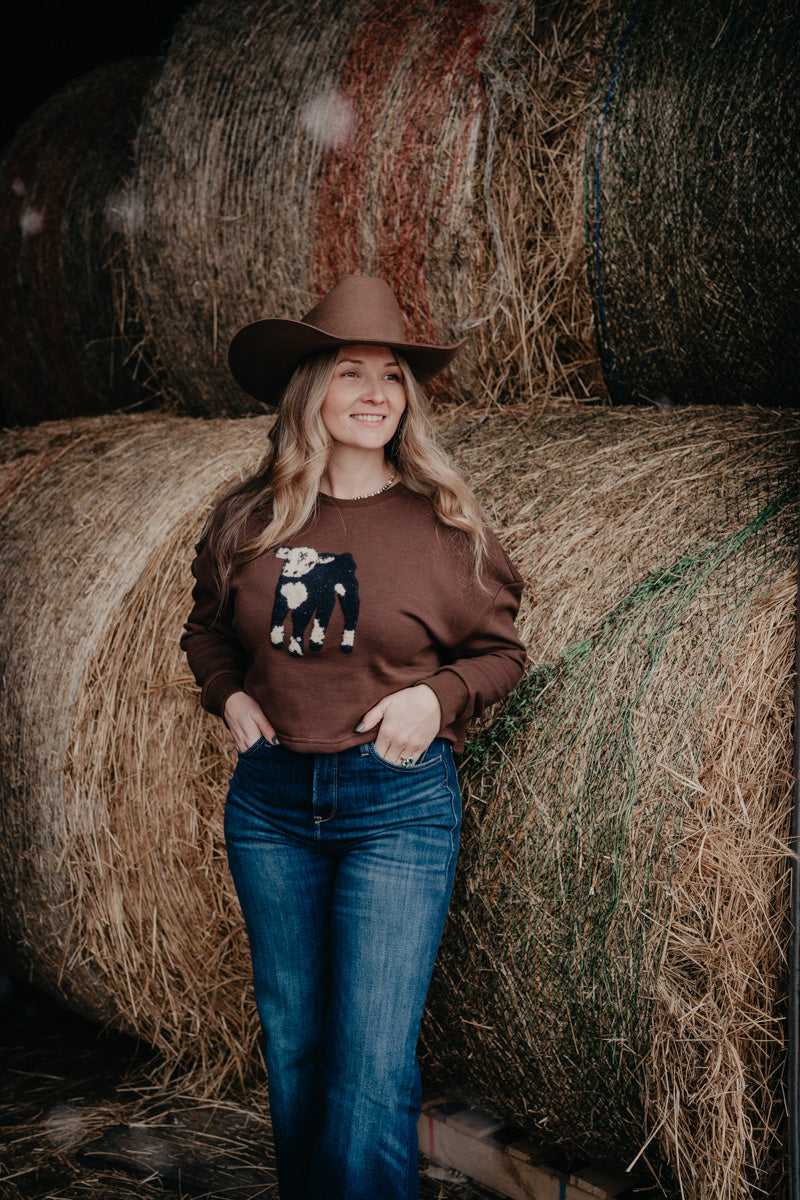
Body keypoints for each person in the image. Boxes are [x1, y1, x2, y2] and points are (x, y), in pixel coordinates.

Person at [181, 274, 526, 1200]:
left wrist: (438, 699)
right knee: (295, 1043)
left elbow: (502, 654)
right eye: (350, 372)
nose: (376, 393)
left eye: (392, 376)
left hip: (395, 808)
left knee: (372, 1062)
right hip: (270, 807)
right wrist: (228, 696)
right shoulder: (248, 518)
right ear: (310, 390)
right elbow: (206, 629)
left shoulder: (444, 529)